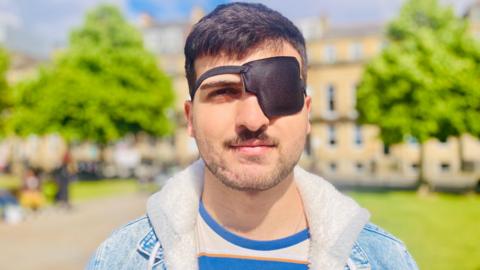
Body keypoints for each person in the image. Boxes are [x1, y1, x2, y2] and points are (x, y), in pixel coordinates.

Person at [88, 3, 418, 270]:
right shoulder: (119, 260)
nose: (252, 119)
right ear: (190, 118)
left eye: (277, 90)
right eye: (222, 93)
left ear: (307, 114)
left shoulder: (386, 261)